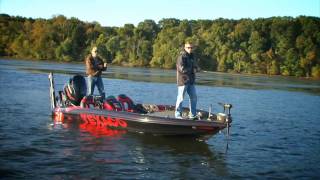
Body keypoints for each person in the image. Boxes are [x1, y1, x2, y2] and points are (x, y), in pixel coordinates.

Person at [175, 42, 200, 119]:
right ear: (185, 48)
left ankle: (192, 114)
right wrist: (192, 70)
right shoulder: (181, 57)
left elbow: (194, 66)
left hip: (191, 81)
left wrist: (197, 68)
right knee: (181, 97)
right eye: (188, 47)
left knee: (194, 97)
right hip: (183, 81)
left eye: (191, 48)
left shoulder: (191, 57)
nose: (190, 49)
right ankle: (178, 114)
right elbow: (181, 69)